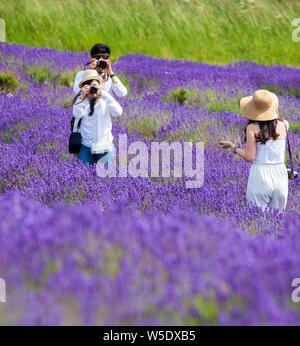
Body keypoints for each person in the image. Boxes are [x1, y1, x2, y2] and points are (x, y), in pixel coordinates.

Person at [219, 89, 289, 212]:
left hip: (260, 176)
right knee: (278, 219)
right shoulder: (284, 125)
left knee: (256, 216)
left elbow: (249, 157)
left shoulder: (252, 128)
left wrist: (232, 146)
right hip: (280, 176)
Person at [72, 69, 122, 167]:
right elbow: (77, 114)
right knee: (83, 175)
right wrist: (81, 97)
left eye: (94, 85)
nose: (92, 88)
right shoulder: (81, 101)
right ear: (84, 88)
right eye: (89, 86)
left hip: (104, 146)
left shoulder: (105, 100)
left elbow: (118, 112)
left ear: (100, 86)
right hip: (86, 146)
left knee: (106, 176)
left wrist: (105, 95)